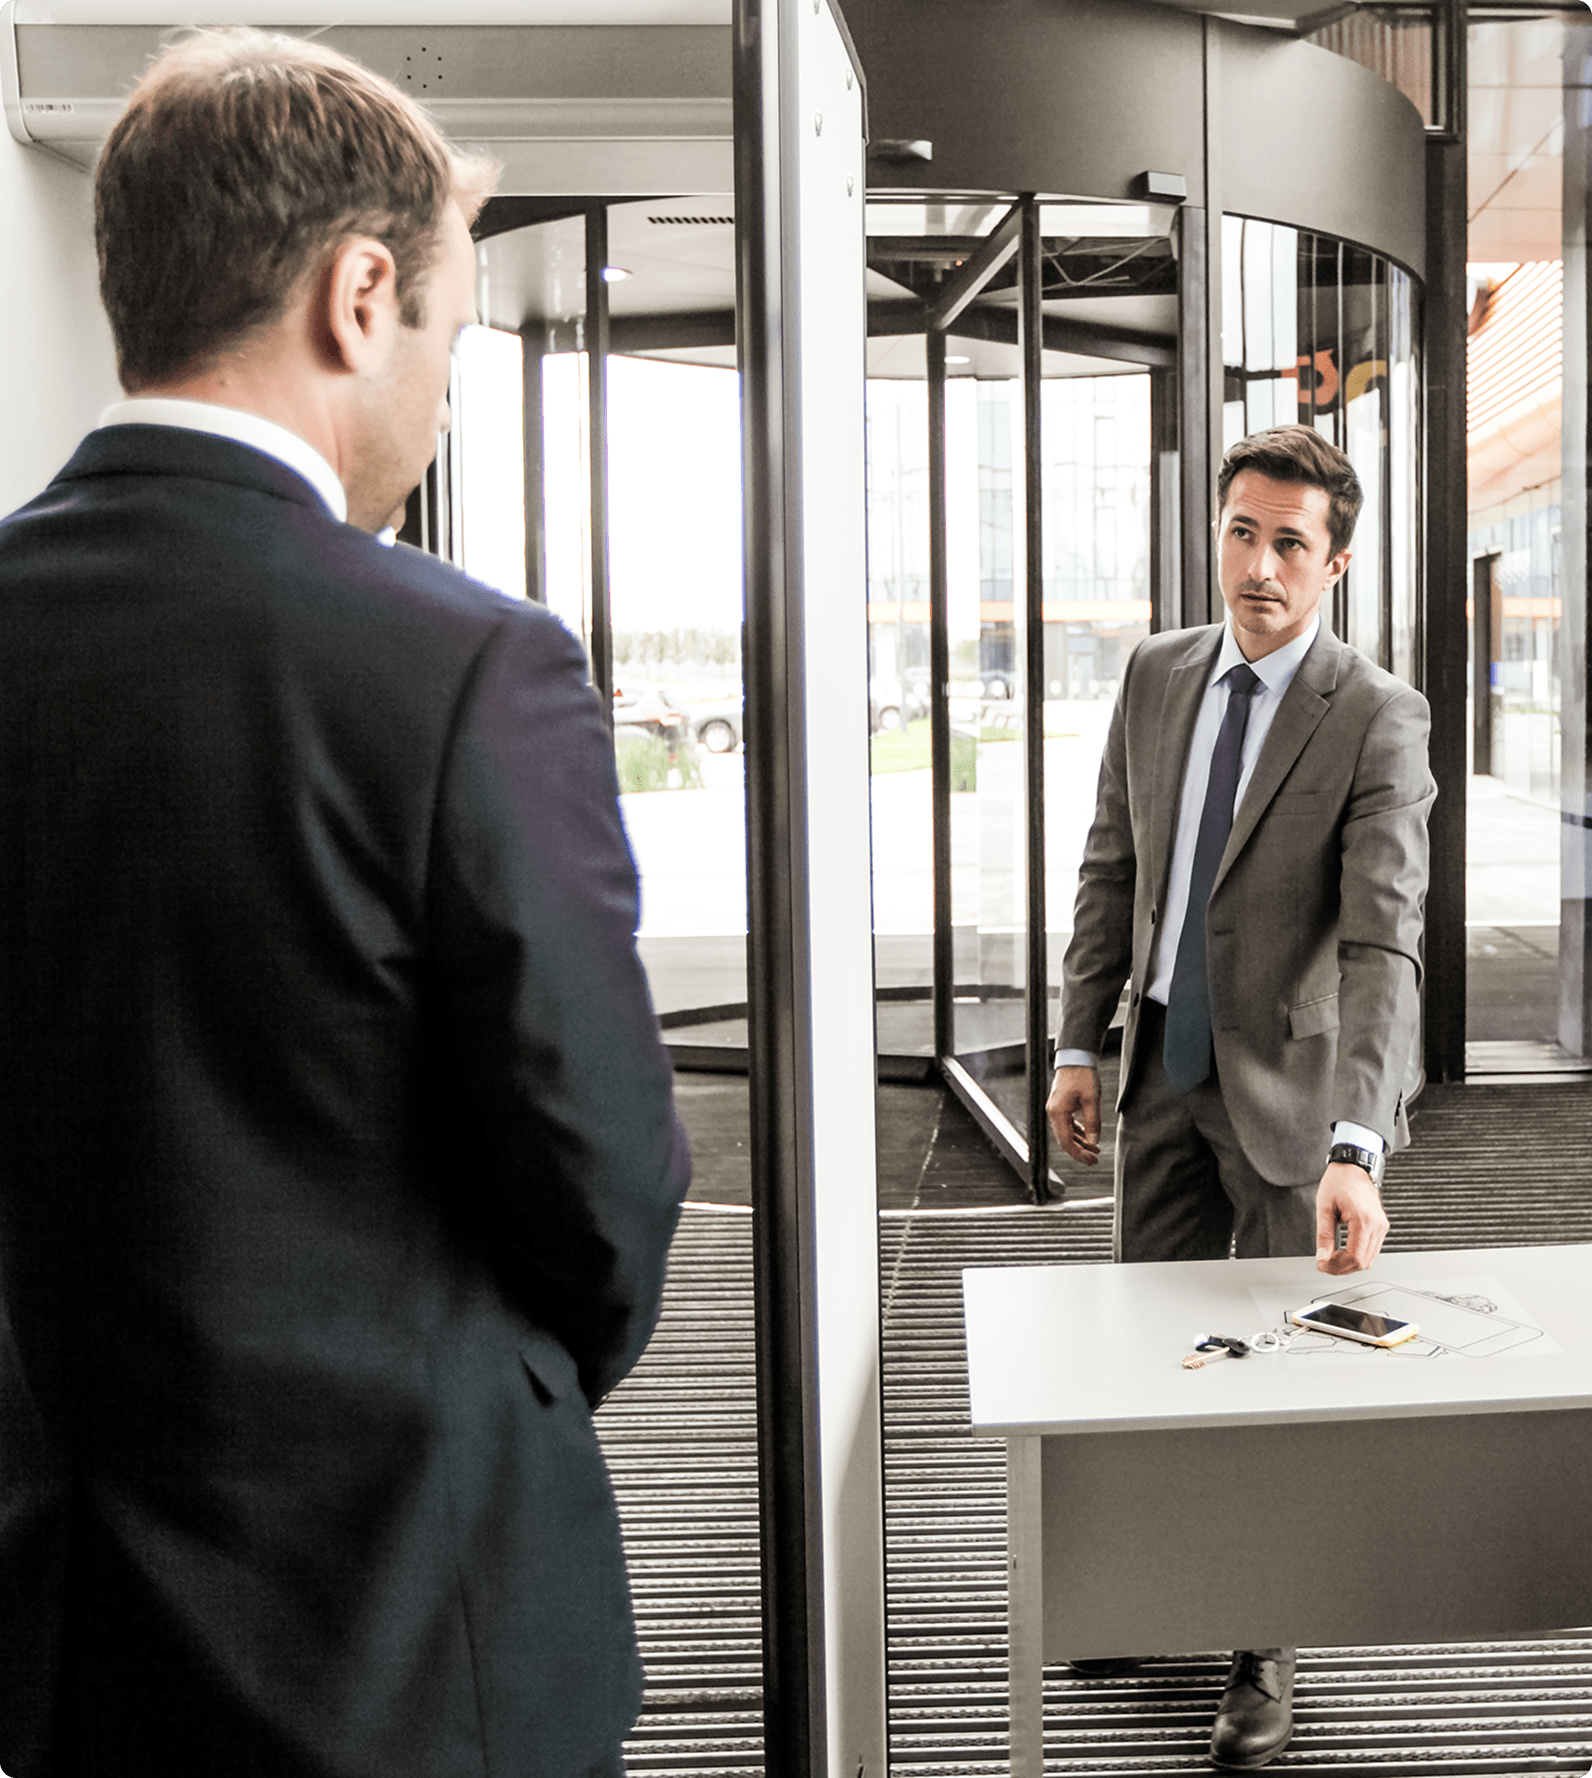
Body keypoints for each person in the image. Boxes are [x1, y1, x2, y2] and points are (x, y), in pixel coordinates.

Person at [0, 28, 690, 1778]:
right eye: (450, 336)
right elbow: (603, 1191)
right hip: (406, 1632)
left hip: (54, 1647)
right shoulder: (465, 668)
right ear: (356, 293)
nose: (445, 392)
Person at [1046, 424, 1435, 1770]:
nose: (1256, 564)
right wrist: (1080, 1042)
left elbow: (1386, 942)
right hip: (1160, 1073)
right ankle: (1153, 1588)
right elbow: (1113, 869)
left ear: (1336, 563)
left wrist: (1355, 1142)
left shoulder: (1376, 712)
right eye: (1239, 530)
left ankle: (1264, 1646)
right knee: (1149, 1355)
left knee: (1278, 1372)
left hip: (1292, 1102)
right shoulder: (1157, 675)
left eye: (1288, 542)